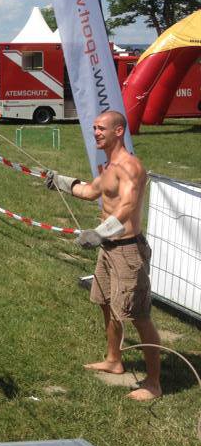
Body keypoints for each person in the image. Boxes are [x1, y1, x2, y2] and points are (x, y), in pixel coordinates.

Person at [45, 109, 162, 402]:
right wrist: (60, 181)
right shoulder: (109, 166)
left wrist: (99, 233)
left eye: (101, 128)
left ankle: (154, 382)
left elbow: (126, 208)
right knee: (107, 304)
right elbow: (89, 191)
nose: (95, 132)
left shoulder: (131, 167)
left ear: (119, 131)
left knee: (139, 315)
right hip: (108, 249)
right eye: (94, 128)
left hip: (127, 251)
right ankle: (114, 360)